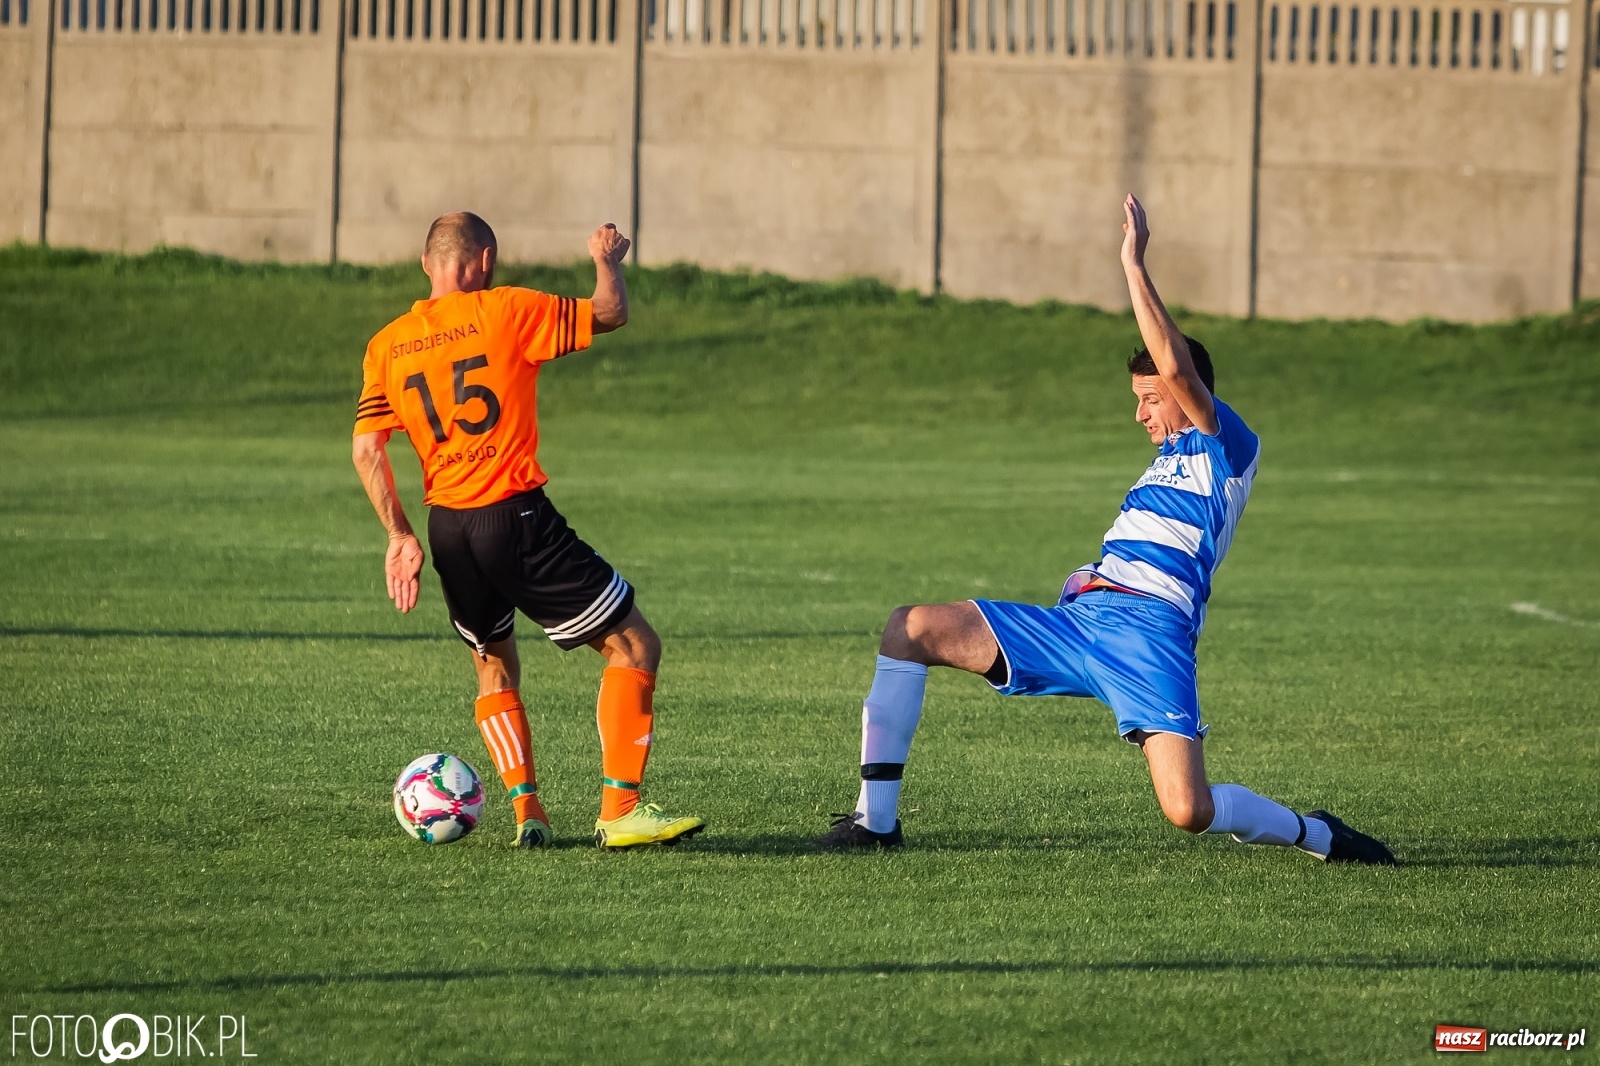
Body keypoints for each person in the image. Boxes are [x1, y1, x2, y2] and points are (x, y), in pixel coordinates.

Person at [814, 195, 1396, 865]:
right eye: (1137, 400)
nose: (1141, 414)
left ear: (1188, 394)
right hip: (1081, 622)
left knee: (1188, 809)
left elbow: (1176, 367)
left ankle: (1316, 834)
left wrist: (1132, 263)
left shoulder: (1227, 449)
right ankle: (875, 825)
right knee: (909, 629)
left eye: (1150, 400)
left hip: (1152, 637)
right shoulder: (1161, 466)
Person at [352, 212, 703, 850]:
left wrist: (398, 535)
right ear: (484, 261)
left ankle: (528, 813)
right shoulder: (504, 309)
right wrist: (607, 259)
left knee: (493, 664)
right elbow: (608, 312)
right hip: (513, 516)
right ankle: (620, 812)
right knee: (634, 647)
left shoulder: (387, 344)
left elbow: (368, 451)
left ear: (427, 265)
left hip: (446, 529)